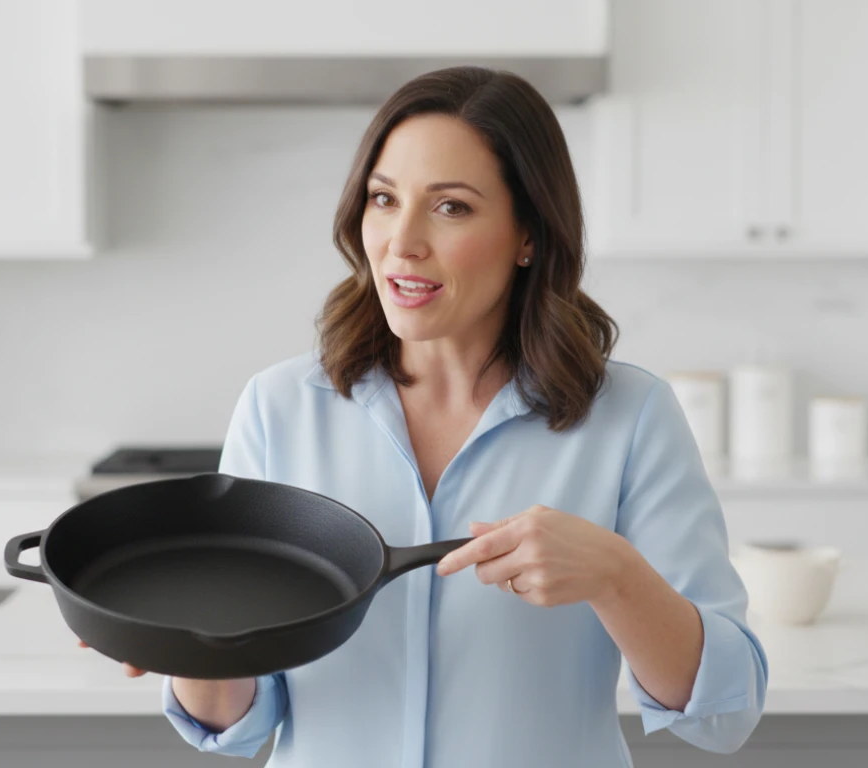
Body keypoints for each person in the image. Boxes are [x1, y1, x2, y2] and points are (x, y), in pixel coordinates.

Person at [85, 65, 768, 767]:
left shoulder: (629, 417)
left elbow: (725, 714)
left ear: (528, 235)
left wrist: (617, 578)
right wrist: (191, 643)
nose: (402, 241)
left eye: (451, 207)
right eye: (384, 199)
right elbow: (238, 724)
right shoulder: (280, 407)